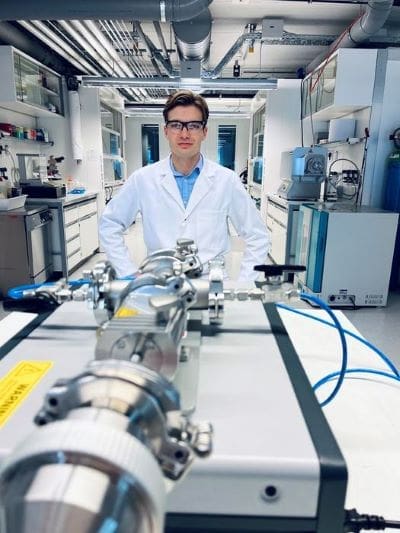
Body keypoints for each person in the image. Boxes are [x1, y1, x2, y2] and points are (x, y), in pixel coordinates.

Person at [99, 90, 270, 280]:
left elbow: (257, 236)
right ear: (166, 131)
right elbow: (110, 224)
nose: (184, 133)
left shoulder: (227, 180)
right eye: (176, 125)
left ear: (204, 132)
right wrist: (128, 274)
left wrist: (244, 283)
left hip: (211, 282)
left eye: (194, 125)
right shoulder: (142, 179)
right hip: (160, 282)